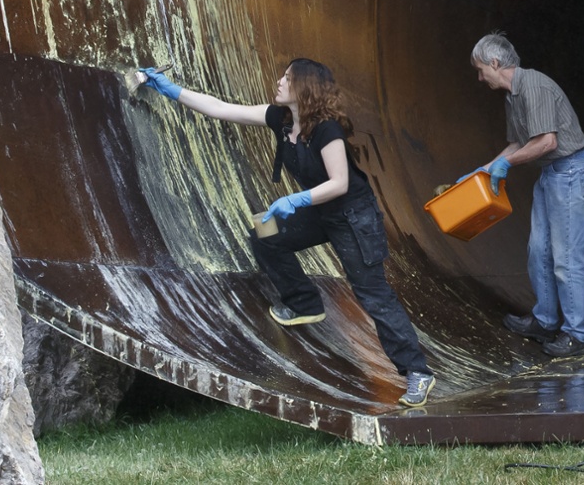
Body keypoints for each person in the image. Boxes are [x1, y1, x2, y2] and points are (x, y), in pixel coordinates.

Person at [136, 59, 437, 407]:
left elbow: (339, 183)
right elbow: (221, 109)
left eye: (287, 77)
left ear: (304, 87)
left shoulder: (327, 129)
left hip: (353, 216)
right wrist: (171, 91)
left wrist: (297, 199)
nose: (279, 81)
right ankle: (304, 302)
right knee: (263, 231)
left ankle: (418, 373)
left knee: (373, 295)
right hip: (320, 211)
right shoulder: (281, 120)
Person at [467, 32, 584, 357]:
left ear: (495, 63)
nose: (480, 77)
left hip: (570, 170)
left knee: (565, 258)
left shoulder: (534, 86)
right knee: (538, 251)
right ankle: (545, 319)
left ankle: (575, 334)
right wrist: (484, 169)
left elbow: (546, 142)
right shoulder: (513, 95)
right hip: (550, 173)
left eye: (481, 69)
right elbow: (518, 143)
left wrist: (505, 165)